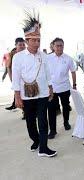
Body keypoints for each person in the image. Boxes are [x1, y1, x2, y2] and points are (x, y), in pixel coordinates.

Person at [12, 12, 57, 157]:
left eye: (39, 40)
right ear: (26, 41)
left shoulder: (43, 56)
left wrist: (50, 88)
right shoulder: (18, 57)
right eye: (34, 41)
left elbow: (48, 73)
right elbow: (16, 78)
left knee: (43, 121)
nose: (37, 43)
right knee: (30, 122)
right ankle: (35, 140)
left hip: (43, 93)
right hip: (27, 95)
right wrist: (17, 96)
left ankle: (43, 148)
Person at [47, 37, 77, 139]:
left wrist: (74, 85)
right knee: (51, 109)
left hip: (64, 87)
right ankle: (53, 130)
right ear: (53, 46)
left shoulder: (68, 58)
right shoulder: (48, 58)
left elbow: (73, 71)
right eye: (57, 45)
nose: (59, 47)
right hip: (52, 88)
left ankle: (66, 122)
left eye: (61, 45)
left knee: (65, 106)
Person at [5, 38, 26, 111]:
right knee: (19, 95)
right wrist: (12, 80)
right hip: (17, 79)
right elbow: (8, 68)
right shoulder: (11, 55)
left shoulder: (27, 53)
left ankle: (26, 111)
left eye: (24, 45)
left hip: (27, 80)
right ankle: (24, 111)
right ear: (16, 45)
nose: (22, 46)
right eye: (20, 45)